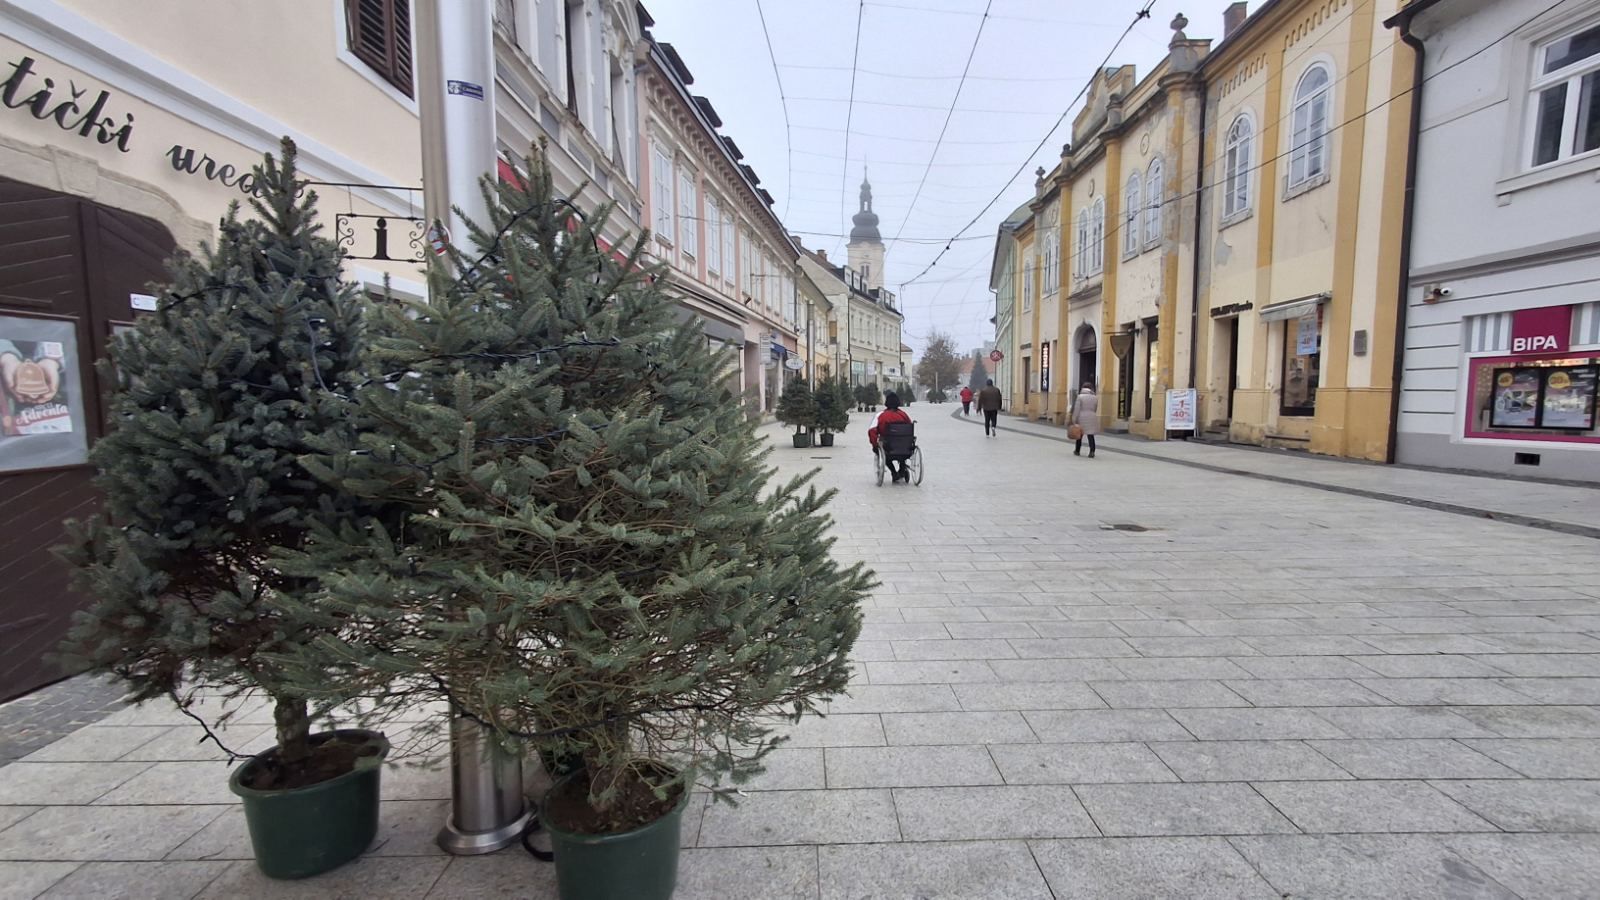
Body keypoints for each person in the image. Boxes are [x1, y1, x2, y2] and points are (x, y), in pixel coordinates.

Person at [868, 391, 913, 482]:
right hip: (905, 447)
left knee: (884, 452)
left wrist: (875, 445)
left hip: (889, 446)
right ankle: (902, 469)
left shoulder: (881, 416)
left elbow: (872, 431)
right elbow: (909, 428)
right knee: (901, 448)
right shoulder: (904, 415)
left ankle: (894, 472)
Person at [1070, 382, 1100, 458]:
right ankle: (1092, 451)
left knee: (1079, 435)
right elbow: (1095, 408)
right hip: (1092, 416)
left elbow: (1077, 409)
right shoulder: (1095, 397)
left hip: (1081, 417)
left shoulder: (1080, 397)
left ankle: (1077, 450)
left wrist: (1074, 419)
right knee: (1090, 435)